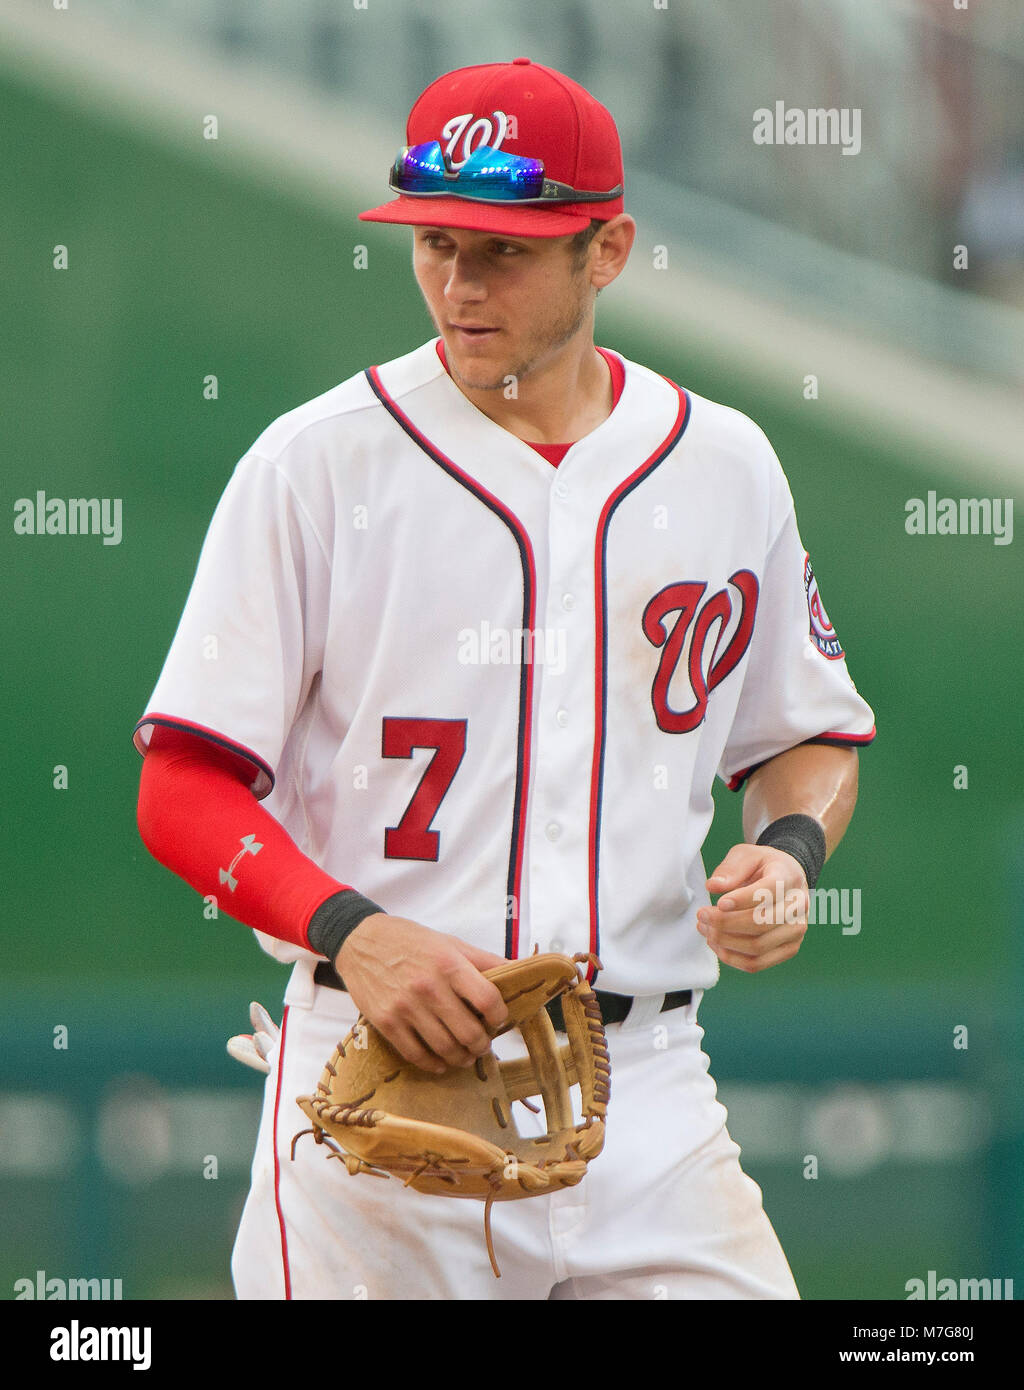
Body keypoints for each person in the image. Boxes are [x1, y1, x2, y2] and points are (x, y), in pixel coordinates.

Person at [133, 58, 875, 1300]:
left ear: (610, 249)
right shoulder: (316, 465)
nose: (459, 283)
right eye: (435, 242)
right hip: (380, 1071)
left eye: (504, 251)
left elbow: (807, 734)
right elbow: (183, 785)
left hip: (644, 1091)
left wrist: (789, 851)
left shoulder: (726, 465)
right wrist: (350, 933)